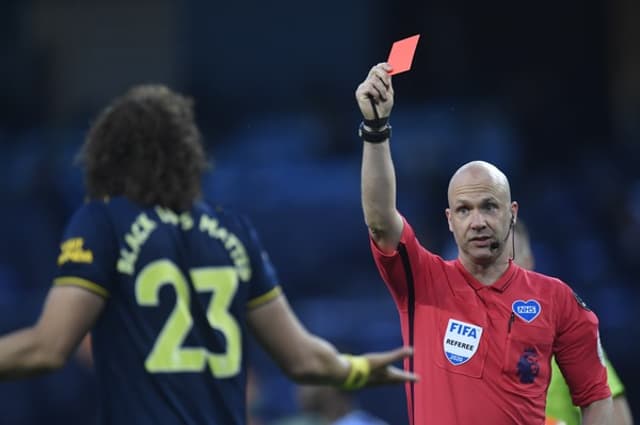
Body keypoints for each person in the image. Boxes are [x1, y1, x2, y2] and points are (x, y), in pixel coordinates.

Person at [0, 85, 417, 425]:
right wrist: (359, 370)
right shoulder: (232, 232)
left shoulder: (102, 224)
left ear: (111, 157)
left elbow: (46, 348)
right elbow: (303, 358)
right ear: (187, 155)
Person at [355, 62, 613, 424]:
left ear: (512, 213)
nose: (477, 221)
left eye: (489, 206)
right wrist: (376, 129)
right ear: (449, 220)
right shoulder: (423, 281)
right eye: (464, 210)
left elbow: (596, 398)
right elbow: (380, 221)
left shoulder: (558, 301)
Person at [512, 220, 634, 425]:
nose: (499, 271)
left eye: (509, 258)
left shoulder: (568, 336)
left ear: (529, 262)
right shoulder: (457, 341)